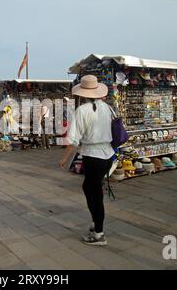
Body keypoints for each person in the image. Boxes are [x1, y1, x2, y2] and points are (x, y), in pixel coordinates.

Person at [59, 75, 114, 246]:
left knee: (94, 194)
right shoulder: (108, 108)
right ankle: (95, 222)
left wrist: (64, 159)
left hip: (93, 156)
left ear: (83, 93)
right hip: (108, 156)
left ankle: (99, 233)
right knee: (91, 189)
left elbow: (73, 140)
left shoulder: (83, 110)